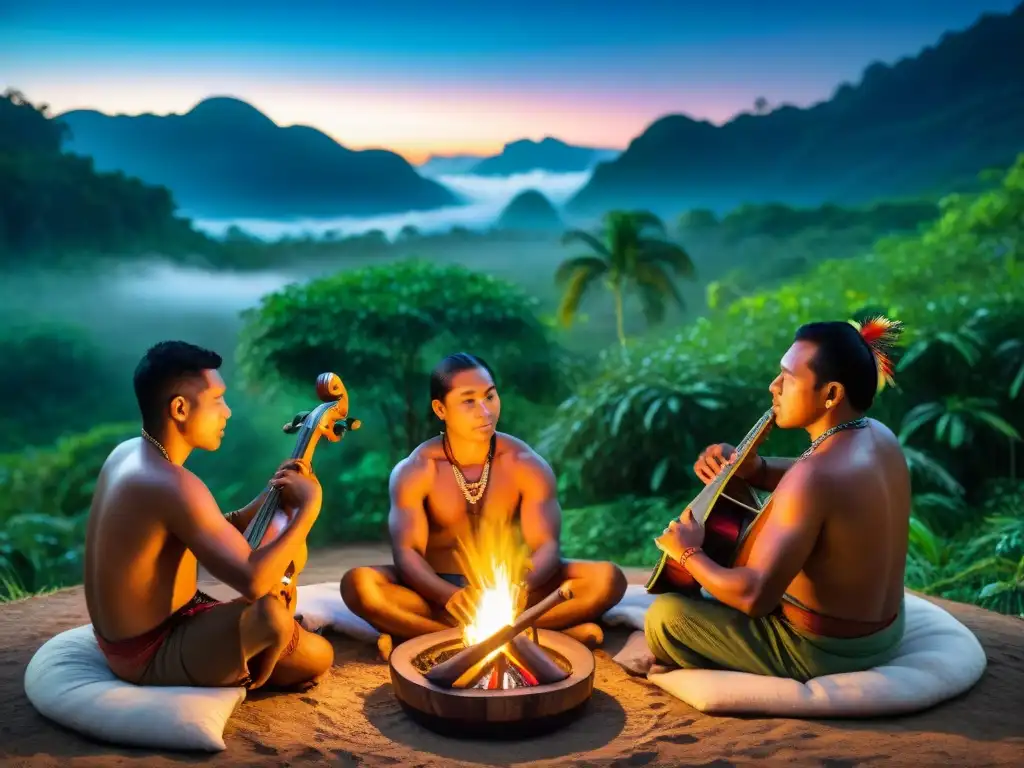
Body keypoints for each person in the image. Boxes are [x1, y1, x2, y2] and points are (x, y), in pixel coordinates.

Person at [616, 317, 910, 682]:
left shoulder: (812, 476)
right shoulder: (879, 437)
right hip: (886, 631)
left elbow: (754, 598)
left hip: (825, 651)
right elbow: (820, 480)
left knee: (666, 617)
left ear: (831, 394)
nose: (774, 387)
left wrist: (688, 553)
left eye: (788, 378)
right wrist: (756, 469)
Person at [341, 352, 628, 661]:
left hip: (515, 591)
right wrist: (450, 596)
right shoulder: (416, 469)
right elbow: (408, 553)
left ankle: (426, 638)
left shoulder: (524, 463)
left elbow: (546, 545)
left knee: (606, 579)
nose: (485, 411)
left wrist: (519, 587)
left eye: (490, 396)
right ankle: (535, 634)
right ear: (441, 409)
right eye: (468, 401)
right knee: (359, 585)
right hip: (436, 594)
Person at [84, 340, 333, 691]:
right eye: (217, 399)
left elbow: (206, 529)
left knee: (274, 621)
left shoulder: (128, 454)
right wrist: (310, 507)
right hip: (150, 654)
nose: (227, 411)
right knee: (317, 654)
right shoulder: (173, 485)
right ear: (181, 408)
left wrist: (268, 496)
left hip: (126, 638)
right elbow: (252, 581)